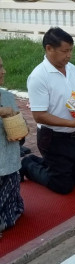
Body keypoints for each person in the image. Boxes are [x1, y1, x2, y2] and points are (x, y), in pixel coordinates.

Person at [21, 27, 75, 195]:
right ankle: (28, 164)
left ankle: (50, 164)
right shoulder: (39, 76)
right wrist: (71, 122)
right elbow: (39, 116)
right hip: (53, 138)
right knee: (63, 186)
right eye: (65, 51)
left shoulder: (72, 69)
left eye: (71, 50)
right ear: (49, 48)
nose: (69, 55)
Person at [0, 56, 24, 232]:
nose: (3, 72)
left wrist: (21, 132)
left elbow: (19, 130)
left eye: (2, 66)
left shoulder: (7, 97)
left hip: (9, 162)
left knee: (13, 214)